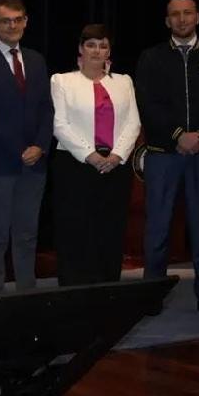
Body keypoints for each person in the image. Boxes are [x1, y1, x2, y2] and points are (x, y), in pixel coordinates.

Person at [135, 0, 199, 317]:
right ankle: (151, 295)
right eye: (175, 15)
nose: (181, 19)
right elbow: (147, 103)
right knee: (158, 228)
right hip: (164, 156)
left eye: (187, 13)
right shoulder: (151, 58)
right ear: (167, 21)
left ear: (198, 17)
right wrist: (179, 135)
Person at [0, 0, 53, 296]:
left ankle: (26, 292)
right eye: (5, 21)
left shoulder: (36, 60)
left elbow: (46, 108)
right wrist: (19, 149)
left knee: (27, 234)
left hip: (35, 163)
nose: (12, 26)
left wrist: (40, 146)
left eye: (17, 20)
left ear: (26, 22)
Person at [50, 24, 140, 286]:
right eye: (91, 45)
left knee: (110, 227)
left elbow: (133, 123)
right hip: (75, 165)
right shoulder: (62, 81)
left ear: (109, 51)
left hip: (115, 166)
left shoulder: (123, 82)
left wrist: (116, 156)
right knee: (75, 227)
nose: (96, 51)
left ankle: (107, 284)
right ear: (81, 49)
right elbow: (60, 125)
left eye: (103, 46)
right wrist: (91, 155)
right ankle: (74, 286)